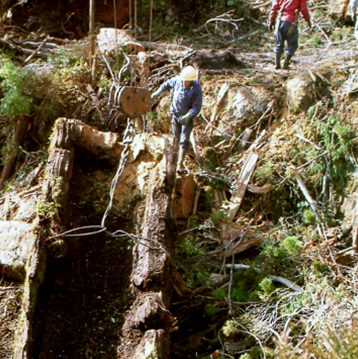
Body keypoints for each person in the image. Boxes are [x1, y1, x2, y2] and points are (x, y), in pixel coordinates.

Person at [151, 65, 202, 173]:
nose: (184, 83)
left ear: (191, 81)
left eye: (186, 81)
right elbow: (166, 85)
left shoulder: (196, 89)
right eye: (183, 80)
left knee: (184, 140)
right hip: (175, 115)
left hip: (187, 118)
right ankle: (171, 163)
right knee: (176, 138)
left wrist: (188, 116)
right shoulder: (178, 80)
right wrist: (156, 93)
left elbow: (197, 106)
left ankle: (180, 165)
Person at [268, 0, 312, 70]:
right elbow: (303, 8)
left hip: (280, 21)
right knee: (292, 44)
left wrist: (271, 20)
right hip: (291, 22)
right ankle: (285, 64)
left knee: (278, 43)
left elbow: (274, 7)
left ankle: (277, 65)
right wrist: (308, 20)